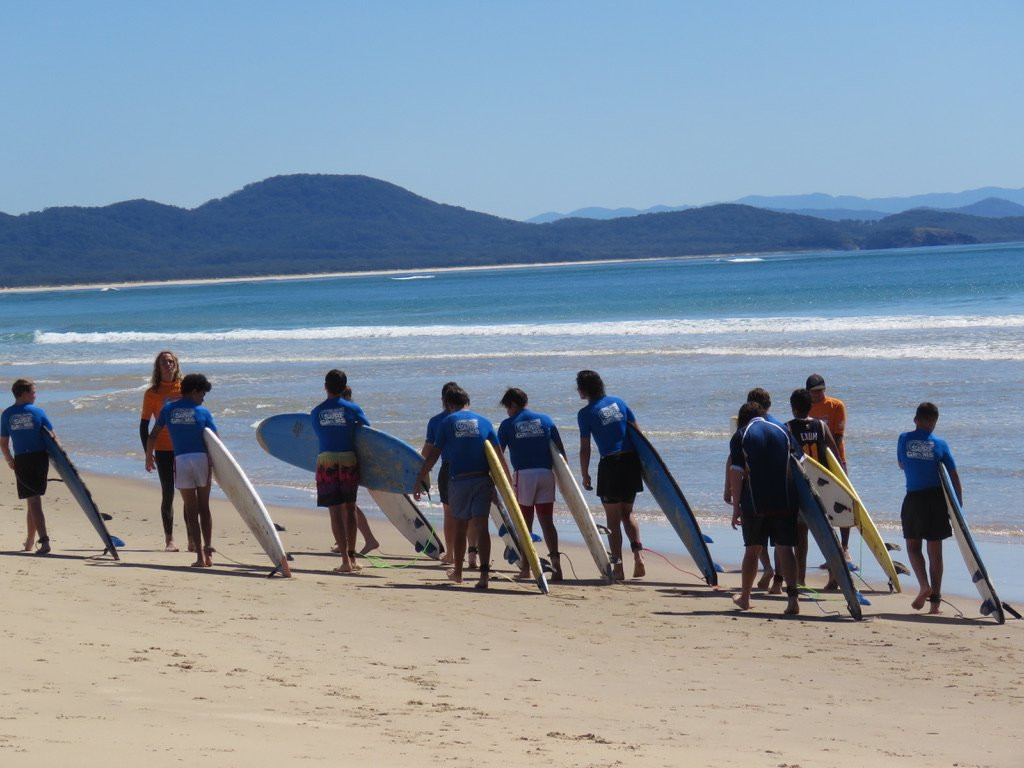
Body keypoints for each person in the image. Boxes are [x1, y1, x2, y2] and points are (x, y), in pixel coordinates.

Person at [414, 385, 503, 589]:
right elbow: (498, 457)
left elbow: (434, 455)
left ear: (449, 404)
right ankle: (484, 577)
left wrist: (419, 478)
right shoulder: (484, 421)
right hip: (482, 479)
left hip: (459, 480)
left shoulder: (447, 421)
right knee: (482, 528)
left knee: (460, 528)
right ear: (467, 402)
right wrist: (505, 487)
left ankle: (459, 574)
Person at [728, 401, 801, 614]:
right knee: (785, 548)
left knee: (752, 549)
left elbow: (736, 472)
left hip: (755, 502)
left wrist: (736, 507)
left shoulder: (741, 435)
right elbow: (800, 464)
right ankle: (793, 600)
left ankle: (745, 598)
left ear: (743, 419)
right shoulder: (783, 430)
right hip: (785, 500)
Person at [575, 369, 645, 581]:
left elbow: (585, 447)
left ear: (584, 390)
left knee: (613, 520)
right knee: (628, 513)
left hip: (611, 464)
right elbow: (638, 434)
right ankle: (639, 556)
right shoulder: (619, 403)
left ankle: (619, 568)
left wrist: (585, 473)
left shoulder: (585, 414)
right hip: (631, 461)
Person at [145, 373, 217, 567]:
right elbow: (216, 443)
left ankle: (199, 558)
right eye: (202, 393)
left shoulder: (168, 409)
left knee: (191, 511)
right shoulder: (203, 412)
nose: (203, 398)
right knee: (204, 508)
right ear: (194, 392)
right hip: (201, 459)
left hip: (182, 461)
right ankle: (208, 552)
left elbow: (153, 435)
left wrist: (148, 457)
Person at [498, 387, 565, 581]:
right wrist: (561, 481)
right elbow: (560, 454)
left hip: (524, 476)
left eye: (507, 408)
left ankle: (526, 568)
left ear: (512, 405)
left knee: (524, 524)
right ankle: (557, 568)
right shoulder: (546, 420)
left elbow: (498, 454)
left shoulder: (508, 424)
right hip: (546, 475)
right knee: (547, 522)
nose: (507, 412)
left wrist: (503, 481)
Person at [897, 402, 958, 615]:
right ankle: (935, 604)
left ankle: (923, 585)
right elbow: (953, 475)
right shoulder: (940, 444)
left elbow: (901, 464)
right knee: (936, 555)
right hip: (936, 500)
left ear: (916, 420)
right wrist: (958, 507)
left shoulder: (903, 439)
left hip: (914, 499)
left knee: (913, 547)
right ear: (934, 422)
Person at [310, 370, 369, 574]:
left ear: (325, 386)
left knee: (334, 510)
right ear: (345, 388)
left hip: (326, 460)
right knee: (350, 509)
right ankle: (352, 559)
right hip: (347, 459)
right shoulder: (352, 408)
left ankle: (344, 560)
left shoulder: (316, 411)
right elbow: (368, 434)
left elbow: (319, 434)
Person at [787, 387, 842, 586]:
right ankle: (835, 574)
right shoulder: (821, 426)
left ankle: (800, 579)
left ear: (793, 408)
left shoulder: (788, 428)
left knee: (801, 537)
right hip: (823, 487)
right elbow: (835, 457)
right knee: (827, 533)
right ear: (811, 407)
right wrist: (841, 485)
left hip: (801, 488)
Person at [421, 381, 476, 568]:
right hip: (472, 467)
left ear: (444, 400)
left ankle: (451, 554)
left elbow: (427, 452)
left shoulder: (437, 421)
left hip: (448, 468)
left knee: (449, 513)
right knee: (471, 514)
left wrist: (420, 474)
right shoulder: (471, 420)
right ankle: (472, 555)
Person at [1, 379, 54, 555]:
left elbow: (3, 442)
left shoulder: (7, 414)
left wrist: (9, 460)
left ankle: (43, 541)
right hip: (39, 459)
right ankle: (31, 542)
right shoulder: (38, 412)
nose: (35, 395)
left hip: (22, 459)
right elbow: (53, 437)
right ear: (23, 394)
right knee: (33, 499)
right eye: (33, 392)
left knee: (33, 499)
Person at [139, 350, 184, 552]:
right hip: (164, 448)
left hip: (185, 447)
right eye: (164, 362)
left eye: (170, 361)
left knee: (188, 493)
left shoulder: (185, 387)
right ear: (158, 367)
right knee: (168, 493)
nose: (168, 364)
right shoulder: (152, 393)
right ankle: (170, 540)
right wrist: (149, 454)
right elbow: (144, 426)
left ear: (176, 364)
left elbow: (197, 415)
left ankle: (192, 539)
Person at [806, 373, 852, 559]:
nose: (818, 395)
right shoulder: (806, 408)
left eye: (820, 391)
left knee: (843, 501)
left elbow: (838, 436)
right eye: (814, 392)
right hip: (814, 464)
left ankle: (845, 547)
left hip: (836, 461)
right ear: (808, 392)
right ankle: (833, 551)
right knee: (823, 507)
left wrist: (830, 458)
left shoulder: (836, 406)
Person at [334, 385, 379, 557]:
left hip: (350, 462)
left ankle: (369, 539)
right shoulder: (348, 414)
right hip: (345, 462)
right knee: (342, 504)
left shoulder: (351, 413)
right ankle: (343, 541)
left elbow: (368, 434)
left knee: (346, 505)